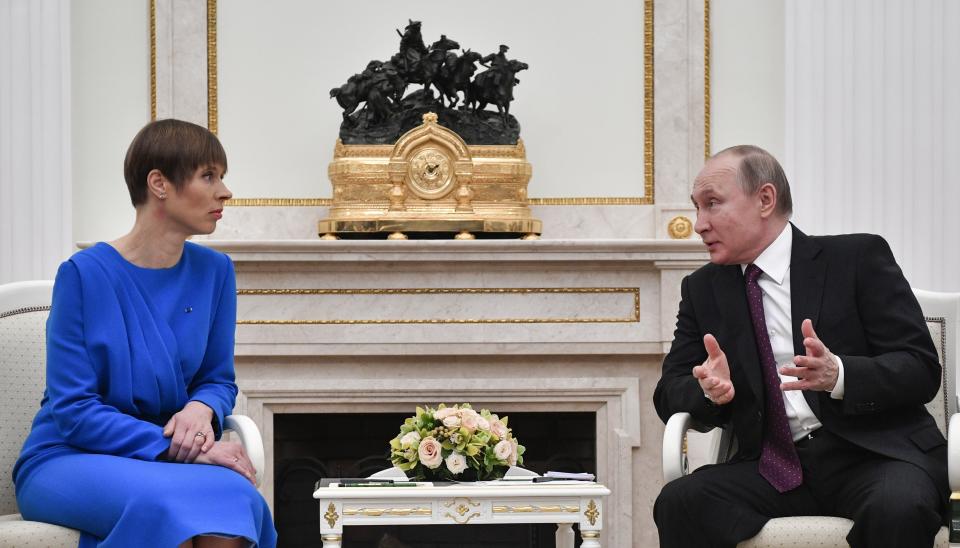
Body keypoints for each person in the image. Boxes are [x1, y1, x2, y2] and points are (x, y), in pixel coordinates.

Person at [653, 145, 946, 548]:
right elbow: (668, 392)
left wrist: (840, 375)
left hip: (874, 456)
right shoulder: (703, 289)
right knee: (681, 502)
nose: (699, 223)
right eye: (697, 207)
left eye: (713, 204)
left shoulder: (856, 258)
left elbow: (920, 368)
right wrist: (707, 391)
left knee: (898, 507)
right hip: (773, 466)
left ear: (765, 199)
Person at [13, 119, 277, 548]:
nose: (224, 192)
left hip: (171, 459)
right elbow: (74, 410)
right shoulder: (82, 276)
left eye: (221, 178)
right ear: (159, 184)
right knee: (170, 508)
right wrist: (192, 448)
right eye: (209, 176)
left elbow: (217, 378)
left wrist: (199, 409)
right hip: (71, 457)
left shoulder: (216, 273)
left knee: (236, 500)